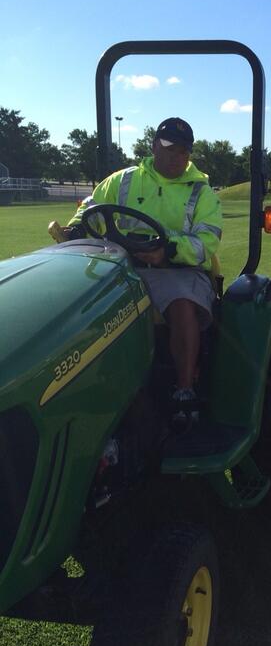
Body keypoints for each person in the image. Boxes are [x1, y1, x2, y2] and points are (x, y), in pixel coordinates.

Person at [58, 117, 223, 426]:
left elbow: (207, 242)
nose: (176, 156)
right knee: (83, 302)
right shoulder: (122, 181)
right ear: (154, 146)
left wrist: (168, 251)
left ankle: (185, 390)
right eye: (169, 148)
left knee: (182, 303)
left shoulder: (201, 193)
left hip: (178, 269)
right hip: (122, 264)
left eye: (183, 151)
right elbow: (90, 210)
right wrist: (77, 227)